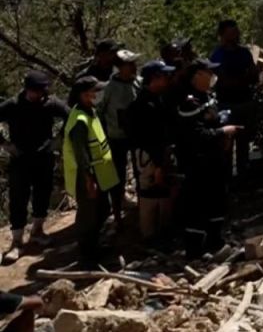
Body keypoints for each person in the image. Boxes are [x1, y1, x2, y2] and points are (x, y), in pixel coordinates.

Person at [0, 72, 69, 263]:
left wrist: (59, 139)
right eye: (37, 90)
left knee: (42, 194)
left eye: (43, 90)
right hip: (20, 158)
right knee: (18, 198)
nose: (40, 94)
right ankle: (16, 242)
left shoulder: (50, 103)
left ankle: (38, 231)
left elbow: (71, 115)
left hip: (44, 156)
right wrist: (5, 144)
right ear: (27, 89)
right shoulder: (13, 105)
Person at [173, 60, 239, 259]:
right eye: (208, 72)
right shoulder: (188, 102)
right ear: (196, 76)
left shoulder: (206, 96)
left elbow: (213, 117)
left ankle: (215, 241)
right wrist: (222, 131)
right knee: (197, 205)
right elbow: (196, 135)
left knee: (217, 200)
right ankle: (194, 250)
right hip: (197, 163)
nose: (212, 75)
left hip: (215, 160)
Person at [62, 76, 118, 269]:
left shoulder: (89, 112)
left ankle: (96, 247)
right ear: (84, 95)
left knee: (101, 210)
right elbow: (81, 153)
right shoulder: (79, 120)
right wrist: (88, 180)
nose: (98, 94)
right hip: (87, 176)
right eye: (95, 91)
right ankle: (87, 256)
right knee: (88, 216)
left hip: (99, 173)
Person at [130, 60, 178, 245]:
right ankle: (149, 236)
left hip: (159, 154)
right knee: (150, 193)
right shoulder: (144, 105)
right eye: (164, 76)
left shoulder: (157, 99)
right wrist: (158, 165)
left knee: (163, 192)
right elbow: (150, 139)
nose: (167, 79)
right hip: (150, 157)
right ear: (154, 79)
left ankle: (162, 233)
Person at [209, 20, 259, 182]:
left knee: (244, 143)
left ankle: (243, 176)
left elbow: (254, 76)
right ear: (222, 35)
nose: (234, 36)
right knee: (226, 144)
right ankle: (227, 179)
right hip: (226, 104)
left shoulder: (244, 53)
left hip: (244, 101)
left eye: (235, 32)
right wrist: (243, 78)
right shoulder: (217, 55)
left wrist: (243, 78)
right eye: (231, 33)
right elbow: (222, 80)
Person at [97, 49, 141, 227]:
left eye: (133, 64)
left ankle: (141, 208)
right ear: (120, 67)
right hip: (116, 138)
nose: (133, 67)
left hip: (136, 136)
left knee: (140, 171)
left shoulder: (138, 83)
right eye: (129, 64)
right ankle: (117, 214)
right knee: (118, 176)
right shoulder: (108, 88)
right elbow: (98, 111)